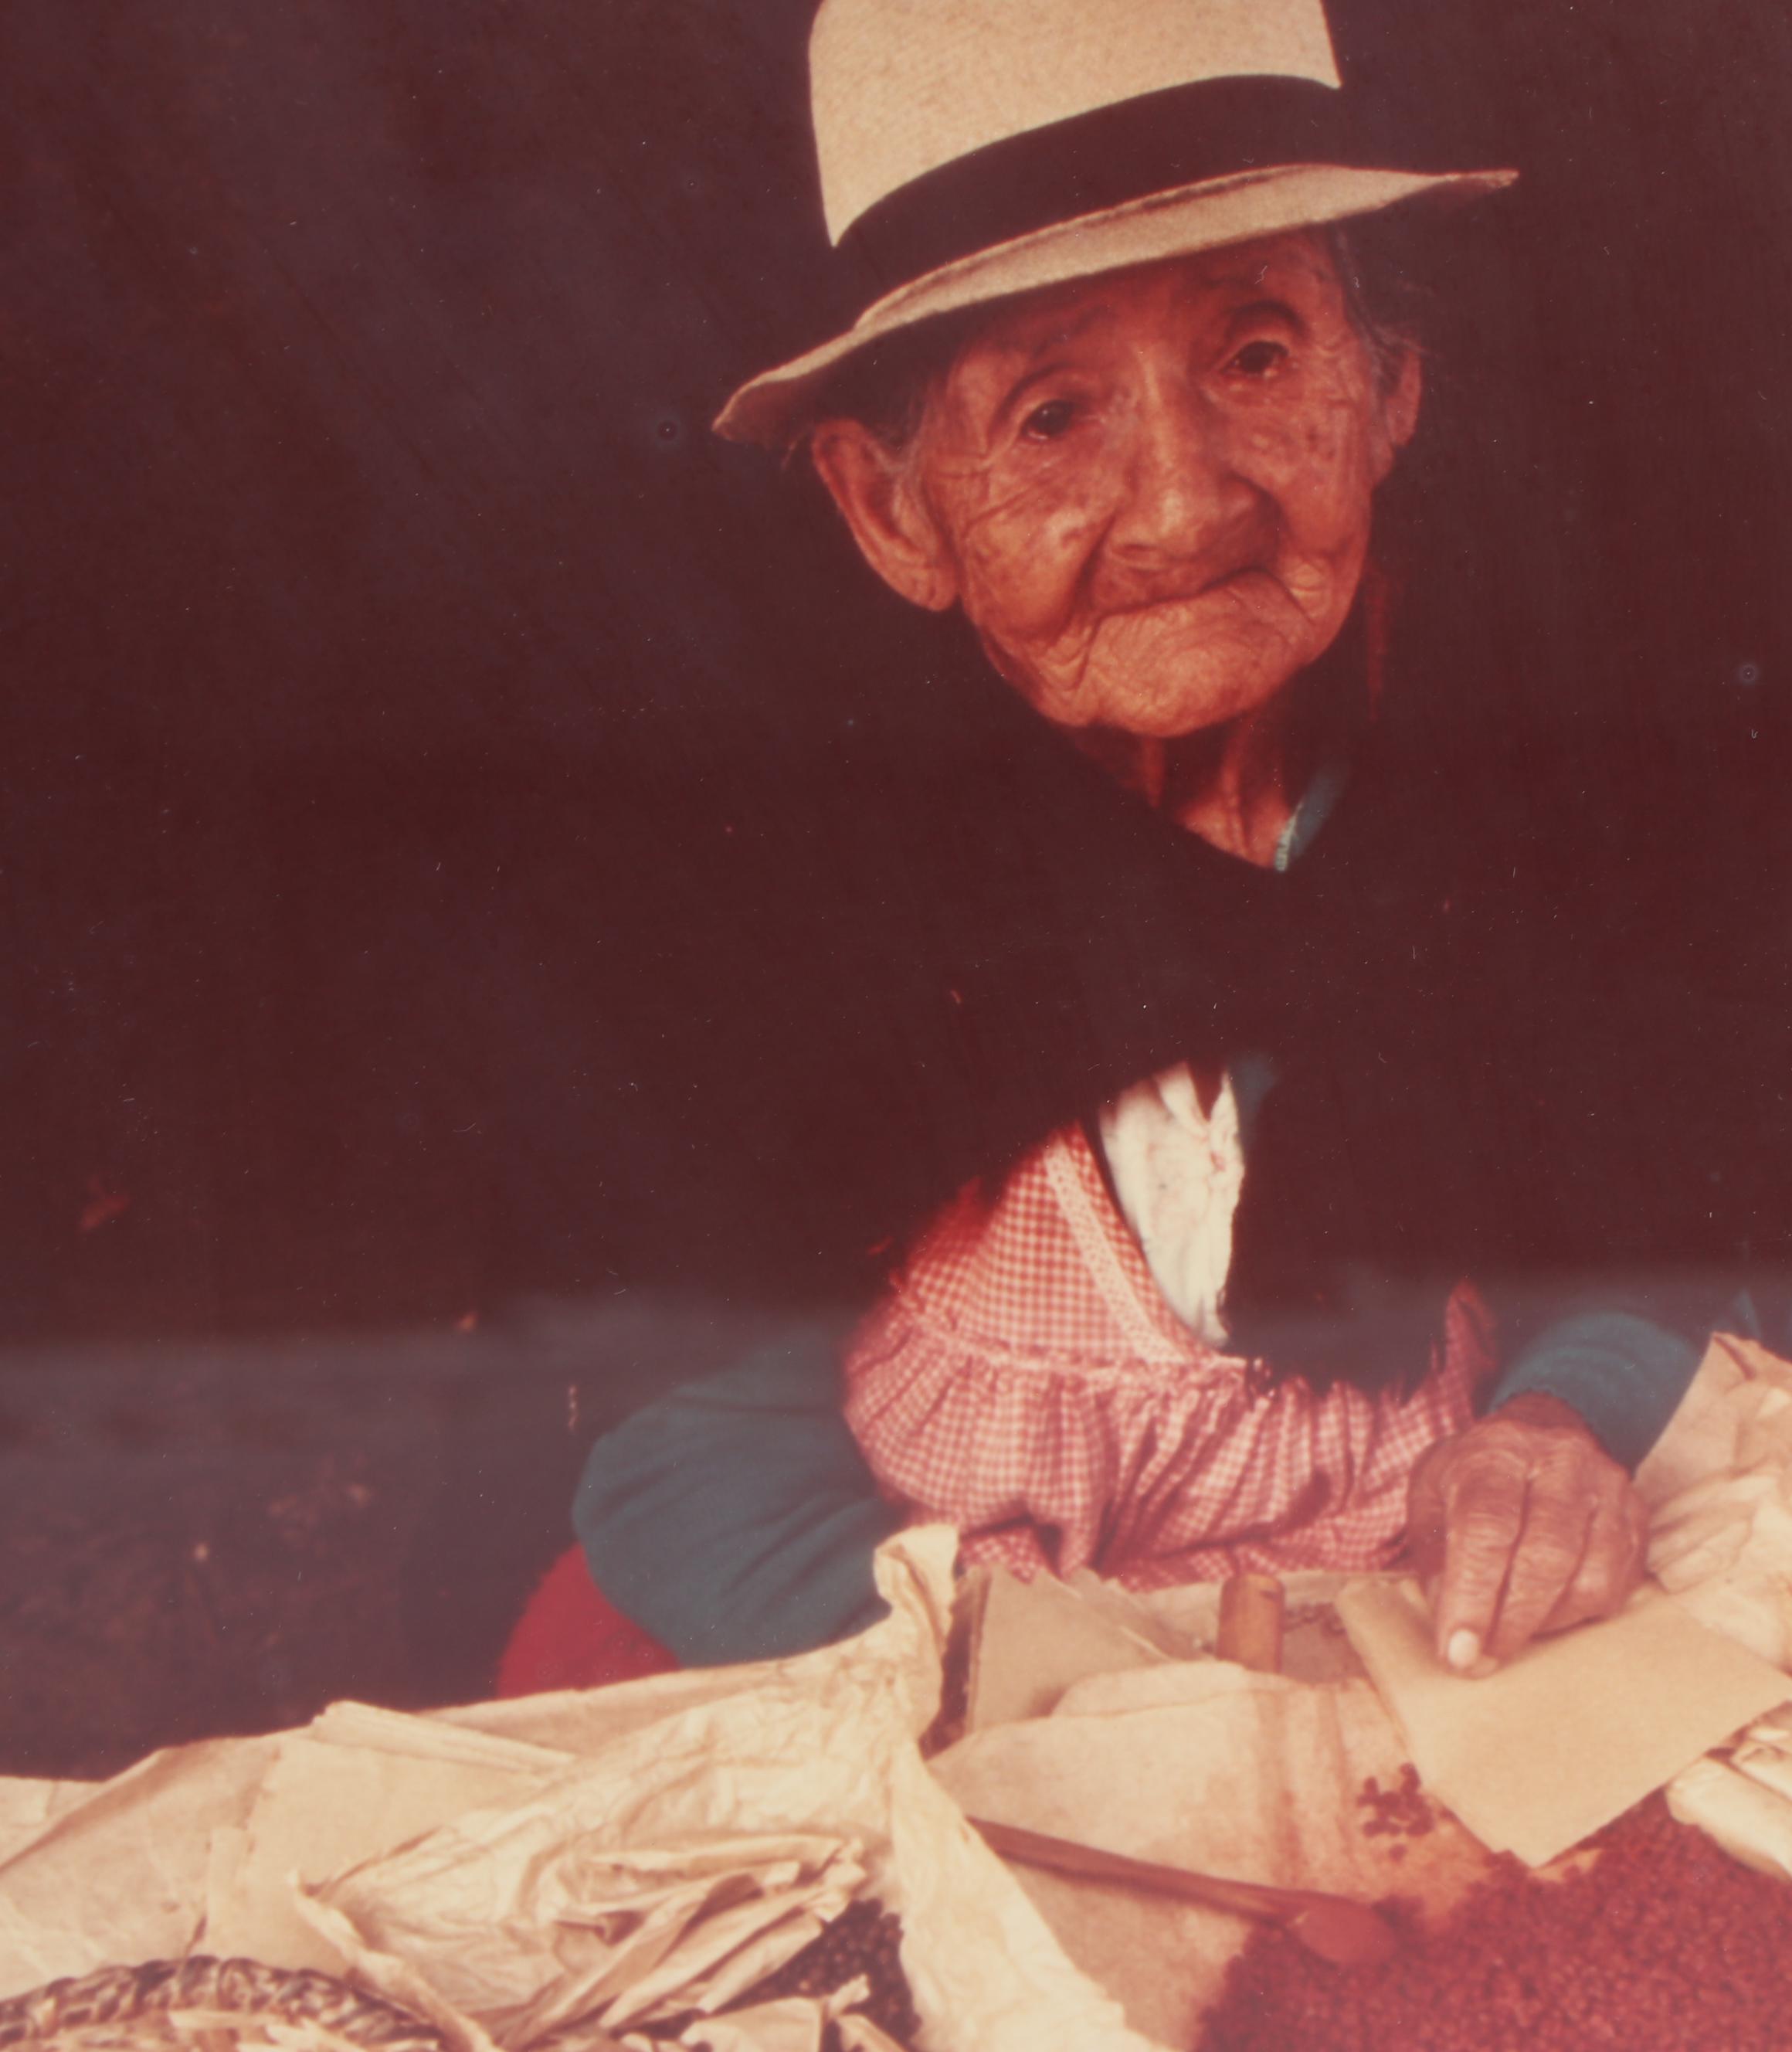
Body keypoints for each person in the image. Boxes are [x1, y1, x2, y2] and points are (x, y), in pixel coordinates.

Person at [498, 0, 1716, 1697]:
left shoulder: (1508, 832)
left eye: (1257, 357)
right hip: (919, 1674)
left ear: (1388, 396)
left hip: (1394, 1648)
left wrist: (1546, 1422)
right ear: (888, 510)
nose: (1182, 502)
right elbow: (680, 1470)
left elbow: (1633, 1248)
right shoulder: (811, 920)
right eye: (1053, 415)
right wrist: (1058, 1696)